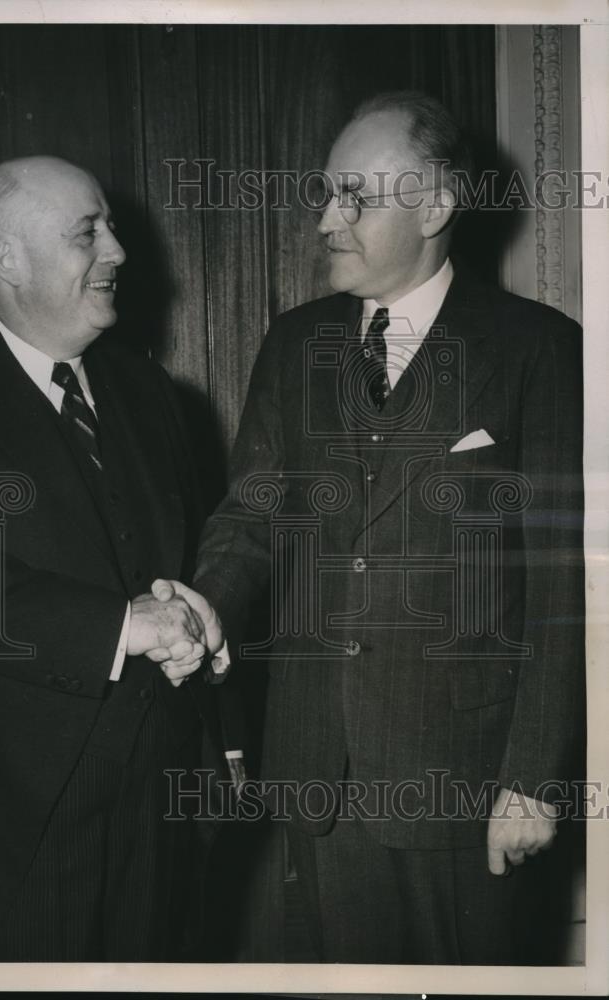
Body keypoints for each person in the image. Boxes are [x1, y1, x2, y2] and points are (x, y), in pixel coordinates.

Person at [191, 92, 585, 963]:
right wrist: (205, 605)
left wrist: (531, 780)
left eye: (354, 199)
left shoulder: (537, 349)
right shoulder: (292, 346)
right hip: (310, 778)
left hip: (461, 782)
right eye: (327, 195)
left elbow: (564, 589)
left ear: (436, 206)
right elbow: (252, 513)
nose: (328, 219)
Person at [0, 155, 225, 962]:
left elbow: (193, 569)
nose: (118, 251)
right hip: (19, 831)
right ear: (9, 258)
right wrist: (123, 625)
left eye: (110, 229)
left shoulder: (157, 398)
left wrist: (205, 652)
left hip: (165, 816)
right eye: (89, 233)